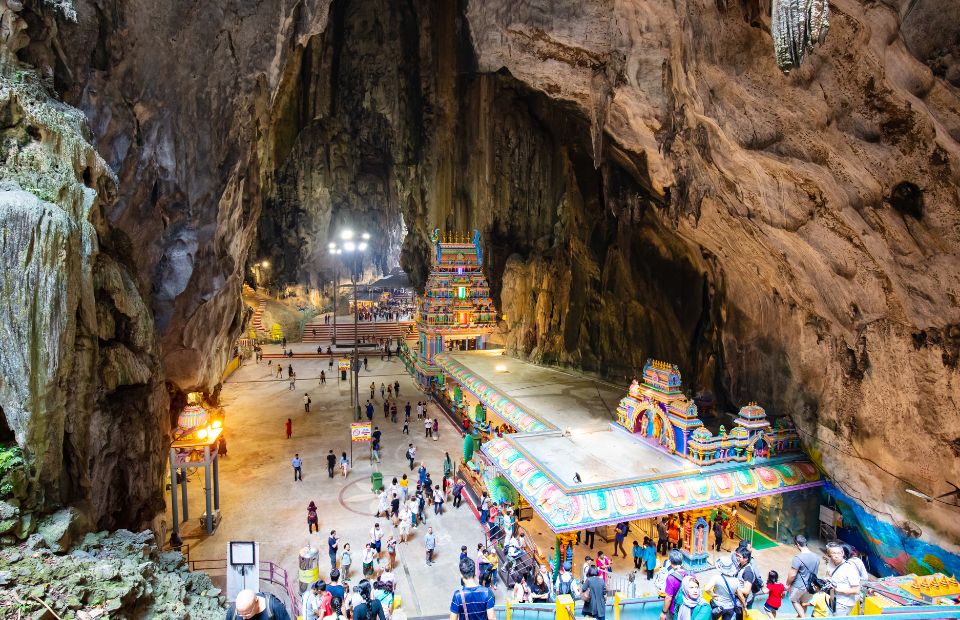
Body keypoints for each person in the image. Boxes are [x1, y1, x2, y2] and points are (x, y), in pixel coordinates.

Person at [785, 534, 820, 617]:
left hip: (799, 586)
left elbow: (792, 574)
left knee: (794, 600)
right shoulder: (816, 557)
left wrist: (787, 584)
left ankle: (803, 618)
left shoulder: (798, 558)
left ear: (797, 544)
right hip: (811, 587)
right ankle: (800, 616)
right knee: (803, 603)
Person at [825, 541, 861, 617]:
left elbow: (856, 590)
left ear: (843, 553)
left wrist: (838, 590)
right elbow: (829, 574)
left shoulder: (849, 568)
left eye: (839, 553)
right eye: (833, 553)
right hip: (833, 599)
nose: (836, 556)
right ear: (829, 554)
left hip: (844, 603)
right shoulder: (831, 563)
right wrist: (827, 579)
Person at [659, 550, 686, 620]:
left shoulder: (671, 578)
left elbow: (668, 598)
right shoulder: (689, 573)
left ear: (670, 561)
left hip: (674, 608)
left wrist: (663, 612)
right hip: (686, 608)